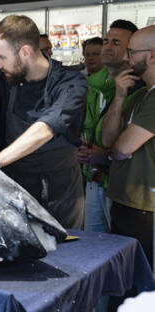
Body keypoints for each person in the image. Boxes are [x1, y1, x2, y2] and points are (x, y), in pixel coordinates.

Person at [0, 15, 87, 229]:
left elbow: (45, 129)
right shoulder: (2, 75)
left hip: (61, 188)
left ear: (25, 52)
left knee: (65, 251)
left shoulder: (71, 82)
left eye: (2, 57)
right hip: (16, 182)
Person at [101, 25, 155, 267]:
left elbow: (121, 148)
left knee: (141, 283)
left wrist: (113, 150)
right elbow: (106, 140)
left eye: (131, 52)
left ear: (152, 55)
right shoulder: (139, 96)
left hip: (146, 208)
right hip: (127, 201)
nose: (125, 57)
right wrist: (120, 97)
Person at [80, 20, 140, 233]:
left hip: (123, 186)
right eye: (106, 41)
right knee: (93, 250)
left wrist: (104, 156)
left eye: (116, 42)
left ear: (130, 51)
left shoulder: (138, 87)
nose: (107, 47)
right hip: (93, 178)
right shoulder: (92, 83)